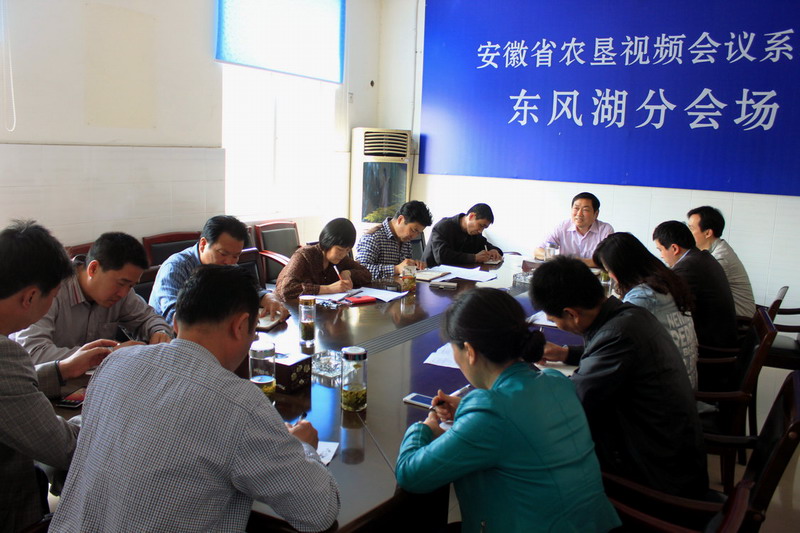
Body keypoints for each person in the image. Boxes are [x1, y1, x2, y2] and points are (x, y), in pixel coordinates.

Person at [50, 265, 340, 532]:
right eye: (253, 332)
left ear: (175, 322)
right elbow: (318, 512)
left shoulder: (115, 363)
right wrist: (302, 447)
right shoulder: (239, 404)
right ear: (241, 326)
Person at [395, 288, 620, 533]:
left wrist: (425, 427)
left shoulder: (490, 413)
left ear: (470, 351)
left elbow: (410, 474)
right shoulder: (557, 382)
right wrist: (466, 412)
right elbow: (519, 427)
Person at [531, 257, 708, 497]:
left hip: (657, 478)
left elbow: (573, 403)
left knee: (541, 461)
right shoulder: (631, 316)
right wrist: (566, 353)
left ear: (572, 314)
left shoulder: (618, 334)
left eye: (554, 320)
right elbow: (610, 358)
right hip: (670, 454)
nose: (556, 325)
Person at [0, 221, 116, 532]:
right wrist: (110, 416)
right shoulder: (4, 354)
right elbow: (63, 447)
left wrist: (61, 370)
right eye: (52, 296)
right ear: (30, 297)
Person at [16, 232, 172, 364]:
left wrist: (159, 332)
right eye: (121, 283)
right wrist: (108, 354)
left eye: (131, 286)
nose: (123, 293)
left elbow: (148, 318)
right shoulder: (51, 289)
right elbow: (33, 352)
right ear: (93, 269)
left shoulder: (122, 292)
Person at [593, 232, 699, 389]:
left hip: (666, 394)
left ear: (622, 270)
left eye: (609, 270)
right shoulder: (667, 282)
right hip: (685, 385)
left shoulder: (643, 298)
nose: (610, 276)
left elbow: (610, 342)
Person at [149, 215, 288, 325]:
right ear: (203, 244)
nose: (229, 262)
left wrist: (267, 297)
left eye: (236, 256)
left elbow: (251, 289)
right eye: (222, 253)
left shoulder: (228, 265)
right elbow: (175, 316)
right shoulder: (175, 268)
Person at [653, 221, 738, 349]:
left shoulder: (687, 267)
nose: (661, 256)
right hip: (722, 337)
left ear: (675, 248)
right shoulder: (701, 257)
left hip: (711, 347)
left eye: (660, 250)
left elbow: (663, 300)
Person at [275, 218, 372, 300]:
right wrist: (328, 289)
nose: (343, 254)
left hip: (324, 309)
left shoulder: (341, 260)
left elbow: (367, 274)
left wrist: (348, 273)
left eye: (347, 250)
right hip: (294, 309)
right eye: (339, 249)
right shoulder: (304, 256)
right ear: (328, 242)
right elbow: (286, 289)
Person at [687, 206, 756, 318]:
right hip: (729, 315)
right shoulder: (714, 250)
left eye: (691, 228)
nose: (687, 233)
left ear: (708, 233)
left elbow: (697, 290)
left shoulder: (720, 258)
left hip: (740, 321)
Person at [356, 200, 433, 278]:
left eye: (419, 233)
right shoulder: (373, 237)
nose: (414, 236)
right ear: (400, 219)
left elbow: (404, 271)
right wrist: (396, 269)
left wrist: (414, 266)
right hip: (378, 286)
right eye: (413, 230)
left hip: (400, 285)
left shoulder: (405, 240)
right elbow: (360, 270)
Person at [535, 192, 613, 267]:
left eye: (585, 210)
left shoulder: (605, 230)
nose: (579, 214)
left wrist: (575, 261)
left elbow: (608, 260)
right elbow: (538, 251)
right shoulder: (563, 227)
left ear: (596, 214)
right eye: (576, 208)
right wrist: (558, 259)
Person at [421, 203, 503, 267]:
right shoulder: (443, 227)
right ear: (471, 216)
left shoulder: (474, 232)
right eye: (481, 225)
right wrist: (474, 258)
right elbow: (441, 257)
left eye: (484, 228)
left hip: (458, 274)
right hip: (432, 275)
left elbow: (485, 245)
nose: (480, 230)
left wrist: (494, 251)